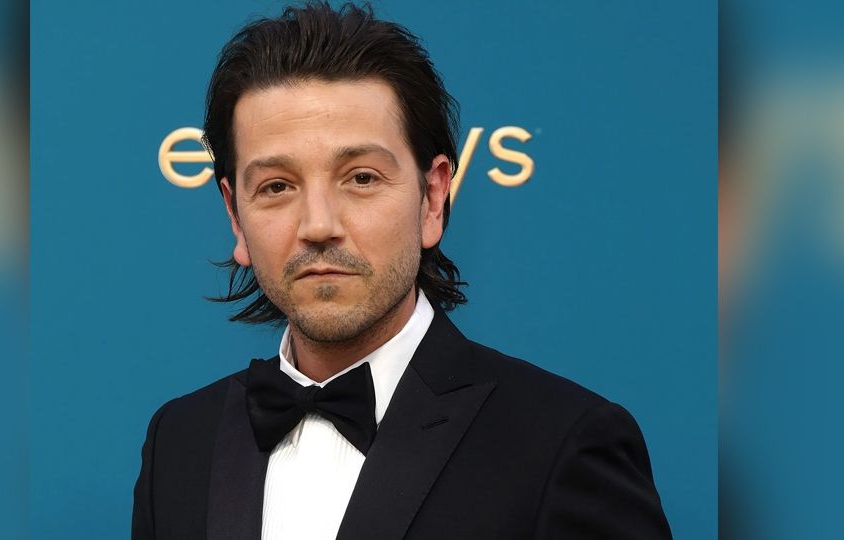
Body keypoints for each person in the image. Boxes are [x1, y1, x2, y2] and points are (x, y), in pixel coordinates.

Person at [132, 2, 672, 539]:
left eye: (361, 178)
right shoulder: (179, 443)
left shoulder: (561, 444)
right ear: (235, 215)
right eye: (277, 186)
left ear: (432, 198)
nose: (318, 225)